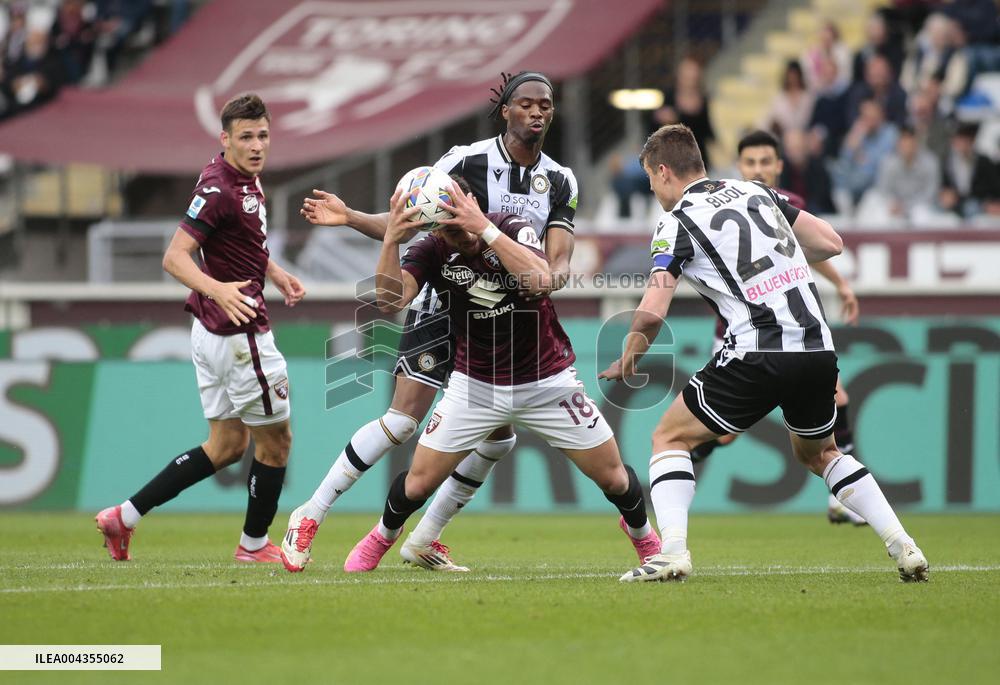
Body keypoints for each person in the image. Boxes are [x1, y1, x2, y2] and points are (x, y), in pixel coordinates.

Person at [600, 124, 928, 583]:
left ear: (663, 171)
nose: (655, 192)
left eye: (653, 182)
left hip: (758, 349)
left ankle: (671, 552)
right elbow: (831, 242)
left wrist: (631, 353)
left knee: (669, 438)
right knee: (822, 454)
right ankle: (904, 545)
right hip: (816, 347)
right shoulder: (755, 191)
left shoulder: (675, 222)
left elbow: (653, 310)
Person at [284, 72, 579, 573]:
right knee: (402, 421)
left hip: (506, 324)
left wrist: (552, 277)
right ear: (505, 110)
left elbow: (557, 261)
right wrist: (354, 217)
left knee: (499, 439)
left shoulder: (562, 180)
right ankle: (309, 514)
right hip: (444, 307)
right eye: (526, 103)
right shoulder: (465, 160)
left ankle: (424, 539)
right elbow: (414, 221)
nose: (537, 112)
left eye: (545, 105)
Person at [339, 176, 659, 573]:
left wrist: (483, 228)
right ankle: (381, 538)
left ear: (471, 204)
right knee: (418, 483)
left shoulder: (510, 225)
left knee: (613, 478)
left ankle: (643, 536)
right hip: (476, 384)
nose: (457, 235)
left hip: (546, 380)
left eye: (459, 221)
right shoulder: (431, 249)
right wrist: (390, 239)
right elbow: (391, 301)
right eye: (446, 227)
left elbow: (541, 280)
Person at [95, 94, 305, 563]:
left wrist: (272, 271)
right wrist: (219, 289)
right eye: (246, 137)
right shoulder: (221, 189)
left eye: (263, 136)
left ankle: (123, 517)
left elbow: (240, 238)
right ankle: (253, 546)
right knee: (277, 443)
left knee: (228, 445)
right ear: (225, 138)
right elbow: (174, 257)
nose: (256, 146)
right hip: (238, 334)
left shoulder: (238, 179)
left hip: (210, 334)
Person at [693, 129, 863, 525]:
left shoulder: (787, 205)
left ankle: (842, 500)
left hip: (784, 328)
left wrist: (840, 284)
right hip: (737, 334)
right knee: (722, 433)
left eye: (765, 162)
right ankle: (673, 465)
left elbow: (809, 247)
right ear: (739, 167)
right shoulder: (724, 206)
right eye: (750, 162)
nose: (758, 169)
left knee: (837, 397)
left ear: (779, 166)